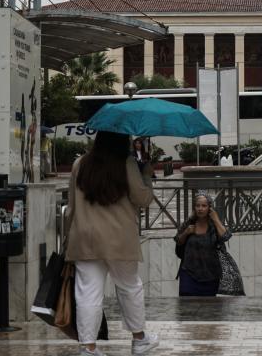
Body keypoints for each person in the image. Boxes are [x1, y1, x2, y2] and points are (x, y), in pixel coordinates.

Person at [65, 131, 159, 356]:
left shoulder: (80, 164)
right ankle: (139, 339)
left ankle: (88, 347)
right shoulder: (126, 164)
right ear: (121, 142)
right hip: (119, 239)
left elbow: (71, 207)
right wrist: (145, 171)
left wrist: (69, 238)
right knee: (129, 287)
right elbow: (143, 199)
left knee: (87, 293)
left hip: (85, 238)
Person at [174, 193, 231, 296]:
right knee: (187, 307)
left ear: (210, 208)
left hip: (210, 275)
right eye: (197, 205)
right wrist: (186, 232)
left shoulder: (213, 225)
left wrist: (216, 219)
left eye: (204, 206)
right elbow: (178, 240)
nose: (200, 209)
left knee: (209, 309)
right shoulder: (189, 223)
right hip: (189, 273)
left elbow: (225, 236)